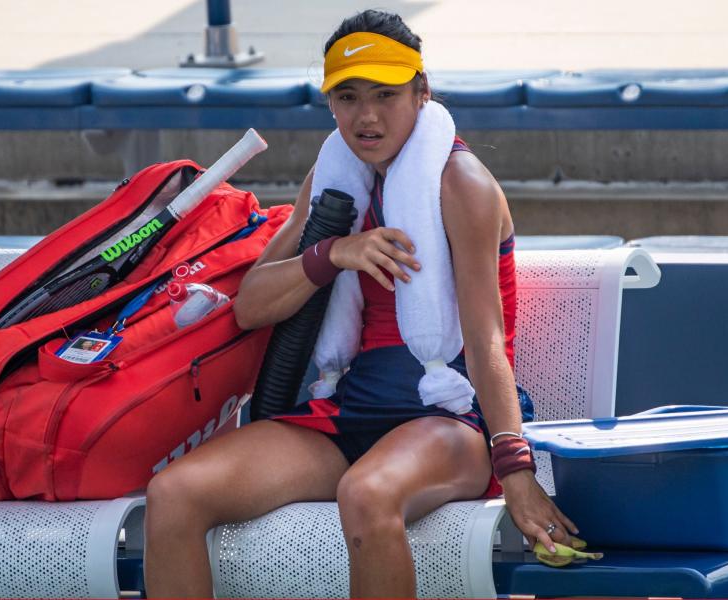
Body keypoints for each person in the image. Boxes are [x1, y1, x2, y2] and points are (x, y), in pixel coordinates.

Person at [143, 9, 578, 598]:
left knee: (367, 492)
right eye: (347, 97)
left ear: (421, 94)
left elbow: (486, 339)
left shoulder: (462, 184)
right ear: (329, 104)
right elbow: (251, 304)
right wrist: (333, 253)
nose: (366, 116)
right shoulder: (330, 180)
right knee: (174, 494)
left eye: (385, 95)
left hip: (448, 421)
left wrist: (516, 469)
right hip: (349, 416)